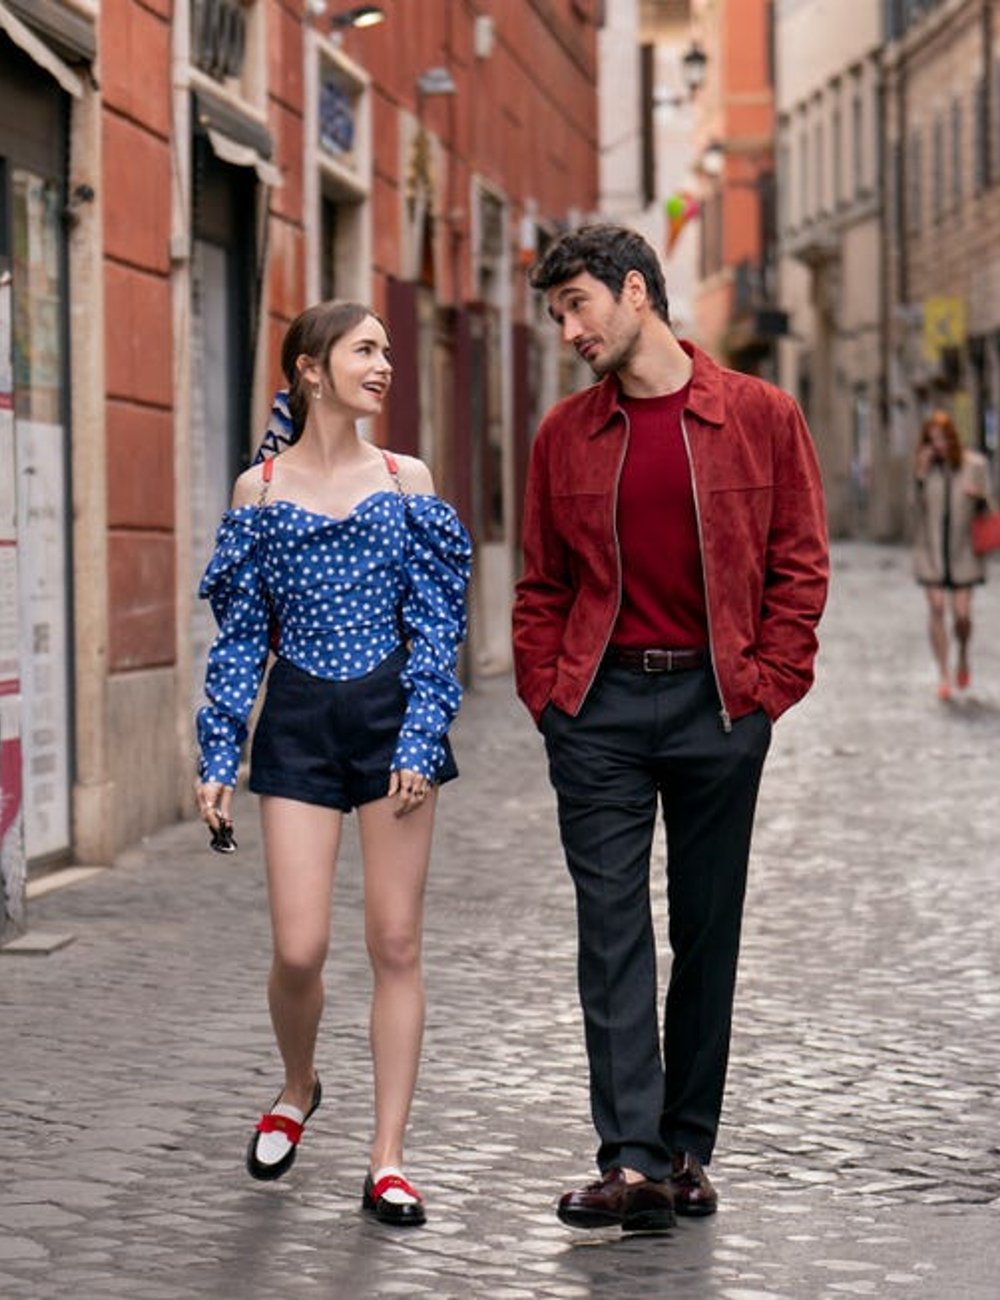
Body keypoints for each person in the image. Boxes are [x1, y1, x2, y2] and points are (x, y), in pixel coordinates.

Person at [512, 224, 829, 1232]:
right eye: (556, 311)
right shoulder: (563, 434)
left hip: (717, 705)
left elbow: (799, 563)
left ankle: (688, 1147)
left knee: (706, 927)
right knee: (609, 933)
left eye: (577, 305)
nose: (567, 329)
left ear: (635, 292)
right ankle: (633, 1160)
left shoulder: (760, 415)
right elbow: (539, 584)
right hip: (597, 708)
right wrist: (549, 697)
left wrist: (768, 689)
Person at [195, 300, 471, 1228]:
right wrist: (217, 754)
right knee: (299, 946)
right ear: (311, 370)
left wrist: (423, 737)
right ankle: (298, 1085)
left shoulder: (407, 480)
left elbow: (438, 631)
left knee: (395, 943)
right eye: (366, 350)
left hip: (394, 721)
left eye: (388, 350)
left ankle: (388, 1157)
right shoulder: (258, 492)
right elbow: (240, 643)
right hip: (300, 726)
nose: (385, 364)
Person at [912, 408, 992, 699]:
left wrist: (979, 498)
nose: (938, 446)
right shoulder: (924, 468)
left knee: (961, 615)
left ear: (953, 439)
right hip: (931, 550)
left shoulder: (975, 465)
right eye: (932, 440)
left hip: (963, 552)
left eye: (943, 439)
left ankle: (963, 656)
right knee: (936, 608)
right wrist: (920, 476)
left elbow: (990, 510)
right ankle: (944, 674)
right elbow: (914, 509)